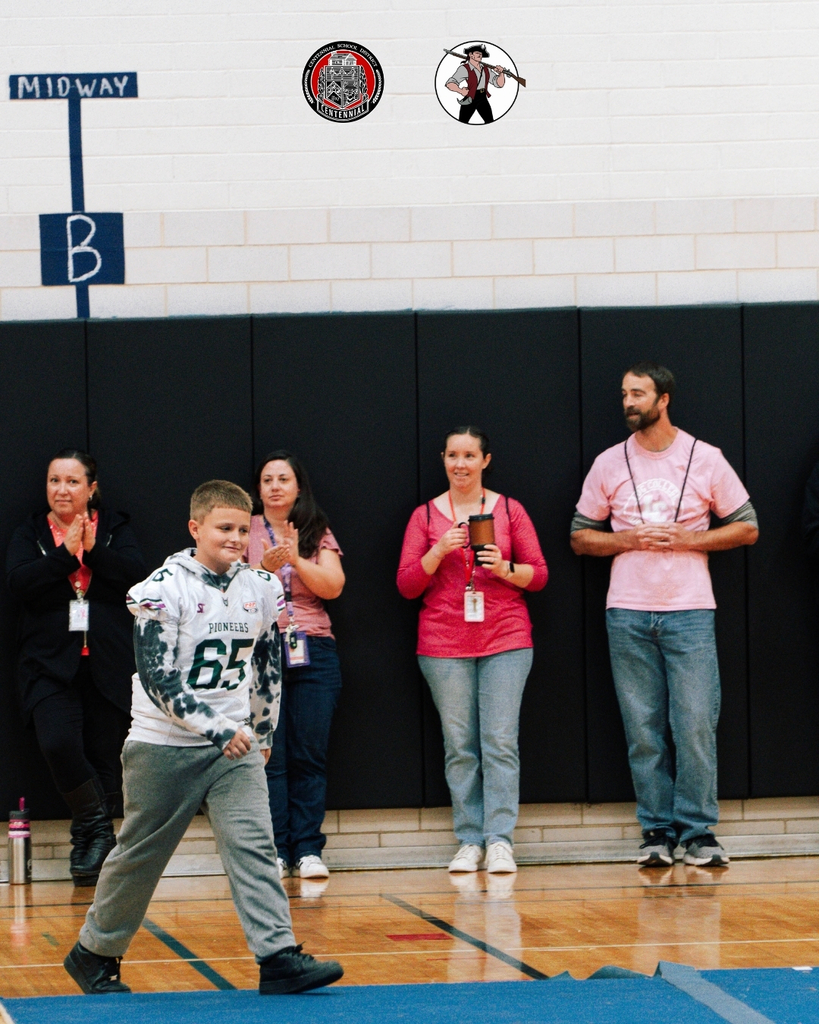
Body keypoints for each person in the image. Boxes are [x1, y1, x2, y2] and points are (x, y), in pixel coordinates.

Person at [63, 480, 344, 996]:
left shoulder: (260, 587)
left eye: (243, 529)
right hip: (163, 745)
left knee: (255, 847)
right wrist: (218, 729)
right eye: (224, 528)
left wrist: (261, 733)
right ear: (196, 529)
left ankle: (278, 957)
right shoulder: (162, 588)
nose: (236, 538)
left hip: (234, 747)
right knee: (139, 856)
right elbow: (157, 677)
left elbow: (267, 667)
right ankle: (94, 952)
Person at [570, 363, 759, 869]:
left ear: (664, 398)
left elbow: (747, 527)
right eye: (624, 393)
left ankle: (698, 832)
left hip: (689, 611)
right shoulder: (609, 462)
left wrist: (690, 538)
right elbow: (579, 536)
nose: (628, 402)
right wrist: (626, 539)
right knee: (643, 727)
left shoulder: (705, 457)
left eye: (638, 393)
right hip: (627, 612)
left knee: (696, 723)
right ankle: (655, 829)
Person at [397, 427, 548, 874]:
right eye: (452, 455)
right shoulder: (425, 516)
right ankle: (469, 838)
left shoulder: (509, 510)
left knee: (500, 741)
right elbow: (406, 585)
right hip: (443, 643)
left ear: (485, 460)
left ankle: (499, 839)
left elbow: (538, 575)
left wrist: (503, 567)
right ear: (443, 460)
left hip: (505, 637)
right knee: (460, 745)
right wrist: (438, 551)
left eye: (469, 455)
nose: (460, 464)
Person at [6, 449, 146, 886]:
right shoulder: (30, 531)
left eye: (71, 481)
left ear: (91, 487)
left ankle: (92, 854)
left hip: (108, 659)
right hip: (48, 663)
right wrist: (65, 556)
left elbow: (137, 578)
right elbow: (18, 584)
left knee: (106, 756)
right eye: (54, 481)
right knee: (59, 742)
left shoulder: (114, 528)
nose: (61, 490)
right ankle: (95, 829)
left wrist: (92, 552)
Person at [245, 451, 345, 881]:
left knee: (309, 754)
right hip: (261, 650)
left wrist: (295, 559)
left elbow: (334, 586)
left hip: (313, 649)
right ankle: (276, 850)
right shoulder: (244, 528)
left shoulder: (316, 530)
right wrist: (263, 570)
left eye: (283, 479)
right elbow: (229, 592)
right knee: (271, 756)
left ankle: (307, 850)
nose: (274, 486)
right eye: (267, 479)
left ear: (298, 486)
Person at [445, 43, 506, 124]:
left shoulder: (486, 69)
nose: (480, 55)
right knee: (462, 122)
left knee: (490, 122)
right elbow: (449, 83)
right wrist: (460, 91)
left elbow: (499, 84)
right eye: (477, 53)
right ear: (470, 55)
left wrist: (502, 73)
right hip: (470, 98)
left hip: (483, 98)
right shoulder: (464, 68)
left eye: (481, 54)